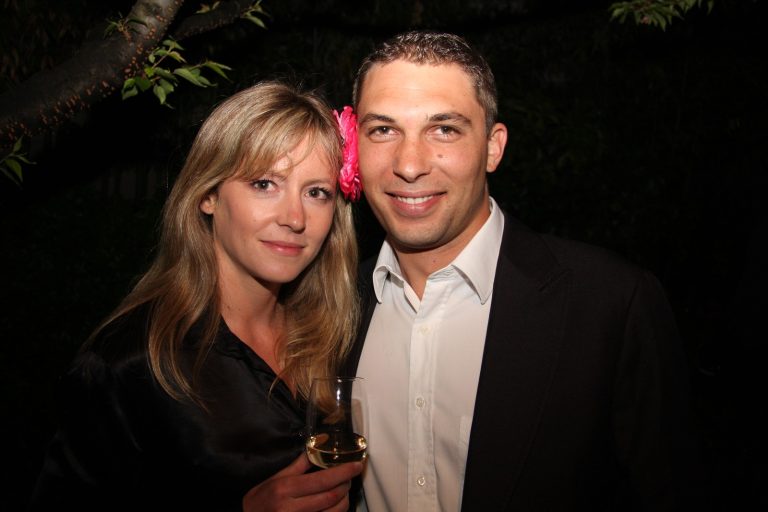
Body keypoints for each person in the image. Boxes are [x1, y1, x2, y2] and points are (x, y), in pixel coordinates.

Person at [345, 31, 706, 511]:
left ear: (493, 147)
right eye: (383, 130)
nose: (409, 165)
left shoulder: (611, 305)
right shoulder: (333, 306)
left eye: (444, 129)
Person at [29, 81, 363, 511]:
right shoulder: (131, 362)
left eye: (317, 192)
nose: (295, 218)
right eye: (264, 184)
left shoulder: (333, 338)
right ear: (208, 195)